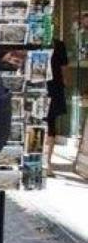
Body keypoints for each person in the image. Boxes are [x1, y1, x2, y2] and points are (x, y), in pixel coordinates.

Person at [45, 37, 69, 176]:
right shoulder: (58, 45)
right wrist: (64, 83)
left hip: (46, 87)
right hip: (54, 87)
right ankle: (47, 162)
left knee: (47, 124)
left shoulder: (31, 43)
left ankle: (44, 161)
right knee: (50, 125)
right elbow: (64, 69)